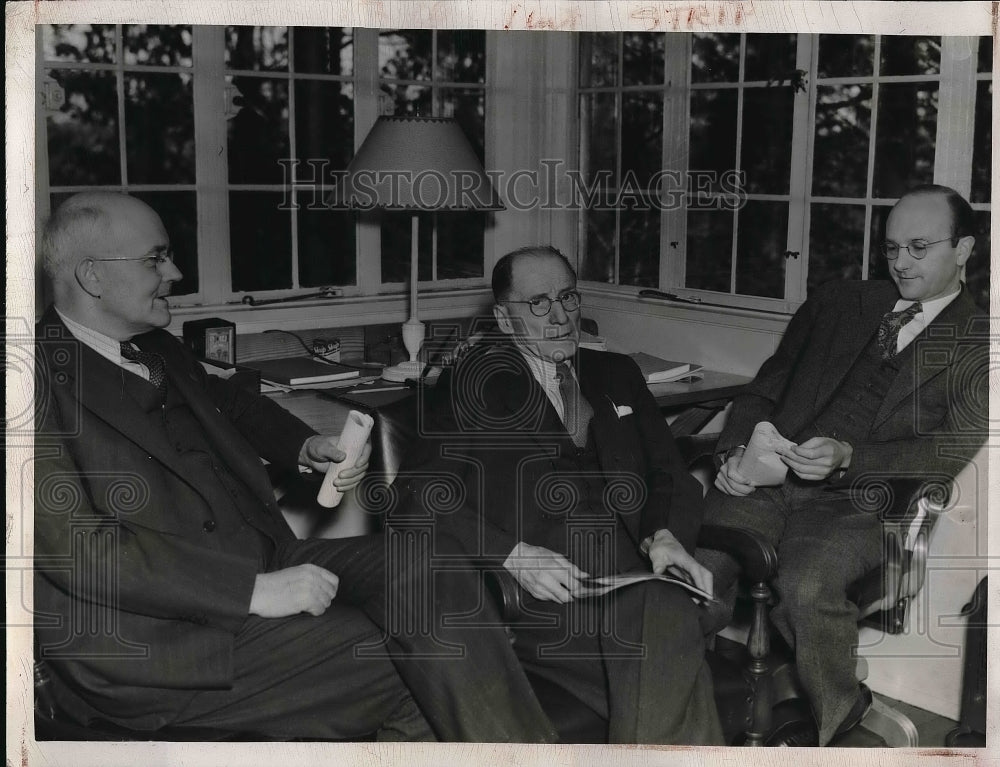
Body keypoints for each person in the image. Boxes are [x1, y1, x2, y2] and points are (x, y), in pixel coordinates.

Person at [33, 192, 560, 742]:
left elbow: (227, 400)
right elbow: (79, 551)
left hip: (268, 554)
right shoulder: (28, 385)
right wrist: (252, 592)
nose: (176, 271)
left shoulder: (152, 347)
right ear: (93, 276)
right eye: (156, 258)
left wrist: (303, 444)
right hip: (154, 641)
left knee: (433, 566)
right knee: (425, 650)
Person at [394, 245, 724, 744]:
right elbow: (413, 498)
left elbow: (669, 473)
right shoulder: (470, 386)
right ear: (505, 320)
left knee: (662, 614)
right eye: (539, 303)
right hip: (553, 596)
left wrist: (666, 537)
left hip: (641, 574)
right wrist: (511, 555)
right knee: (672, 634)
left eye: (568, 297)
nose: (561, 316)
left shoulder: (617, 375)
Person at [697, 184, 988, 746]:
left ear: (965, 249)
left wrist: (852, 457)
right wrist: (732, 452)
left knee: (807, 587)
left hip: (862, 503)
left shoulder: (981, 340)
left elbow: (947, 451)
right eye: (891, 248)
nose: (900, 262)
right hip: (766, 481)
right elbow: (764, 391)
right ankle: (680, 712)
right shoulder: (838, 303)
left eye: (919, 248)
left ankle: (839, 720)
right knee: (695, 574)